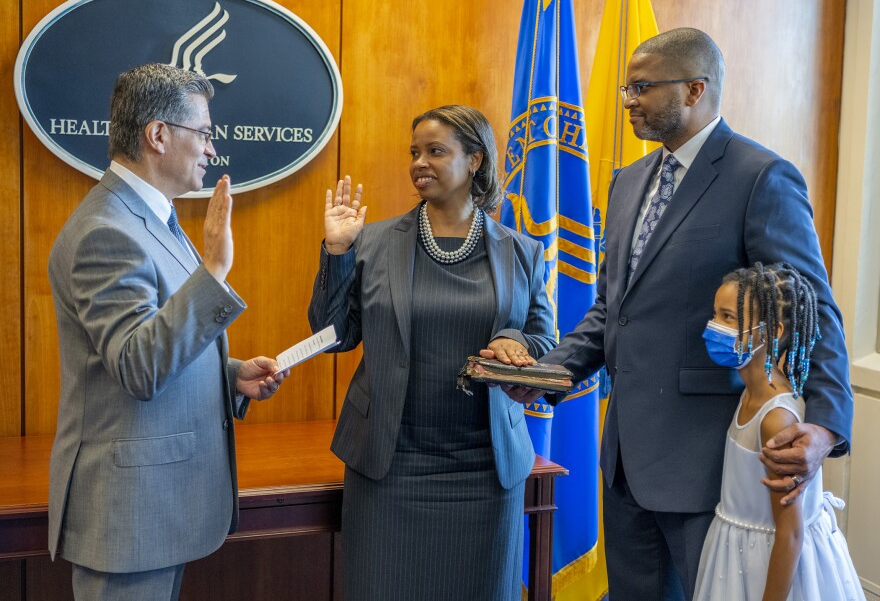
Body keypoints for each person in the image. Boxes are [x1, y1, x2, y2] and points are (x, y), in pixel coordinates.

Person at [505, 28, 853, 599]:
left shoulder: (760, 177)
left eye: (642, 87)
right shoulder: (626, 181)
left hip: (710, 464)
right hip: (623, 460)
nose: (628, 101)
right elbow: (613, 311)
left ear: (695, 89)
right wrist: (549, 374)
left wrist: (828, 424)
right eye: (626, 87)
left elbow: (814, 306)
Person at [47, 63, 287, 600]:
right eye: (203, 132)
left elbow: (151, 340)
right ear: (157, 135)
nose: (211, 149)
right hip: (129, 518)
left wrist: (230, 377)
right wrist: (214, 273)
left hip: (159, 510)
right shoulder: (105, 231)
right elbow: (137, 366)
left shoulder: (154, 218)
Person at [308, 104, 556, 600]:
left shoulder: (520, 250)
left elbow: (544, 341)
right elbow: (334, 333)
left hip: (485, 468)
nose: (419, 162)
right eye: (415, 152)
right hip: (389, 465)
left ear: (476, 161)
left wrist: (516, 341)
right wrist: (337, 253)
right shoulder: (373, 242)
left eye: (436, 151)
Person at [693, 262, 863, 600]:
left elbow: (790, 533)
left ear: (771, 332)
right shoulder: (749, 392)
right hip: (736, 550)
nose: (714, 327)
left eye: (728, 318)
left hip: (767, 562)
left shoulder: (776, 419)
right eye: (715, 314)